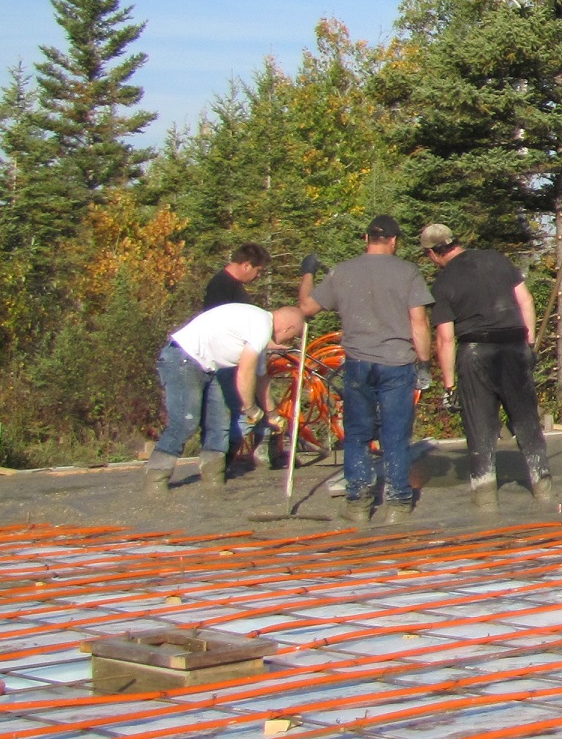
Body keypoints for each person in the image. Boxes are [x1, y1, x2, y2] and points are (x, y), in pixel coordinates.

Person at [300, 215, 434, 526]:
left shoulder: (343, 272)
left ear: (366, 238)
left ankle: (358, 501)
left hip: (358, 363)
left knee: (357, 435)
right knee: (395, 436)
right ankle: (399, 501)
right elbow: (419, 322)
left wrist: (308, 272)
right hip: (397, 363)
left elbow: (306, 307)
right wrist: (424, 362)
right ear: (394, 241)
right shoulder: (407, 272)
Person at [420, 223, 551, 503]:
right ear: (454, 241)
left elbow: (445, 339)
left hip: (475, 353)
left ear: (432, 253)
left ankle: (485, 496)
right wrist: (527, 346)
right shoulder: (497, 260)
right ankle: (543, 486)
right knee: (526, 419)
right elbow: (526, 302)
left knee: (478, 425)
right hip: (514, 347)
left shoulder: (443, 283)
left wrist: (449, 385)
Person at [147, 301, 303, 493]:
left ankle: (213, 481)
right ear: (289, 327)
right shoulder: (261, 325)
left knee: (218, 426)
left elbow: (261, 378)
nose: (286, 342)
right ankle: (156, 480)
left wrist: (272, 414)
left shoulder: (258, 328)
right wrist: (250, 409)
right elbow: (244, 374)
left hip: (208, 367)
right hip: (182, 359)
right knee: (185, 423)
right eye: (292, 336)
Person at [199, 244, 273, 466]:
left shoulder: (234, 286)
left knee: (250, 406)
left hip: (237, 357)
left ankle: (260, 452)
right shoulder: (220, 287)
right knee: (239, 410)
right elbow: (219, 326)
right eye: (257, 271)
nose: (258, 276)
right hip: (227, 361)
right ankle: (224, 460)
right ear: (246, 265)